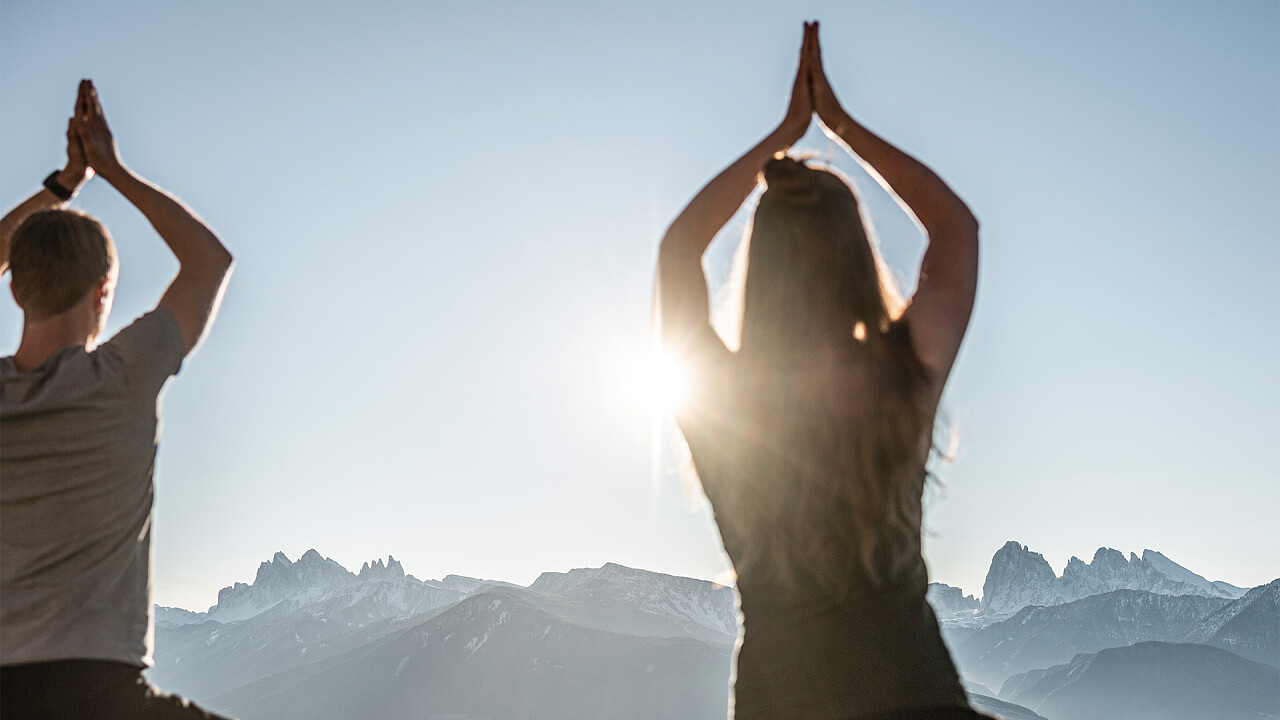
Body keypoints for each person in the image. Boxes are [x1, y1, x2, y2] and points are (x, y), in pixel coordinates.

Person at [657, 23, 988, 720]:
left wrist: (781, 137)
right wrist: (834, 125)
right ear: (856, 259)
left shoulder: (726, 405)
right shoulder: (902, 377)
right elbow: (956, 231)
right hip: (916, 695)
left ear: (763, 270)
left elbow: (679, 251)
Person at [0, 80, 234, 720]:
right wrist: (112, 168)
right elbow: (209, 262)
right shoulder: (126, 376)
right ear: (105, 292)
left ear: (14, 289)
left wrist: (61, 187)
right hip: (104, 696)